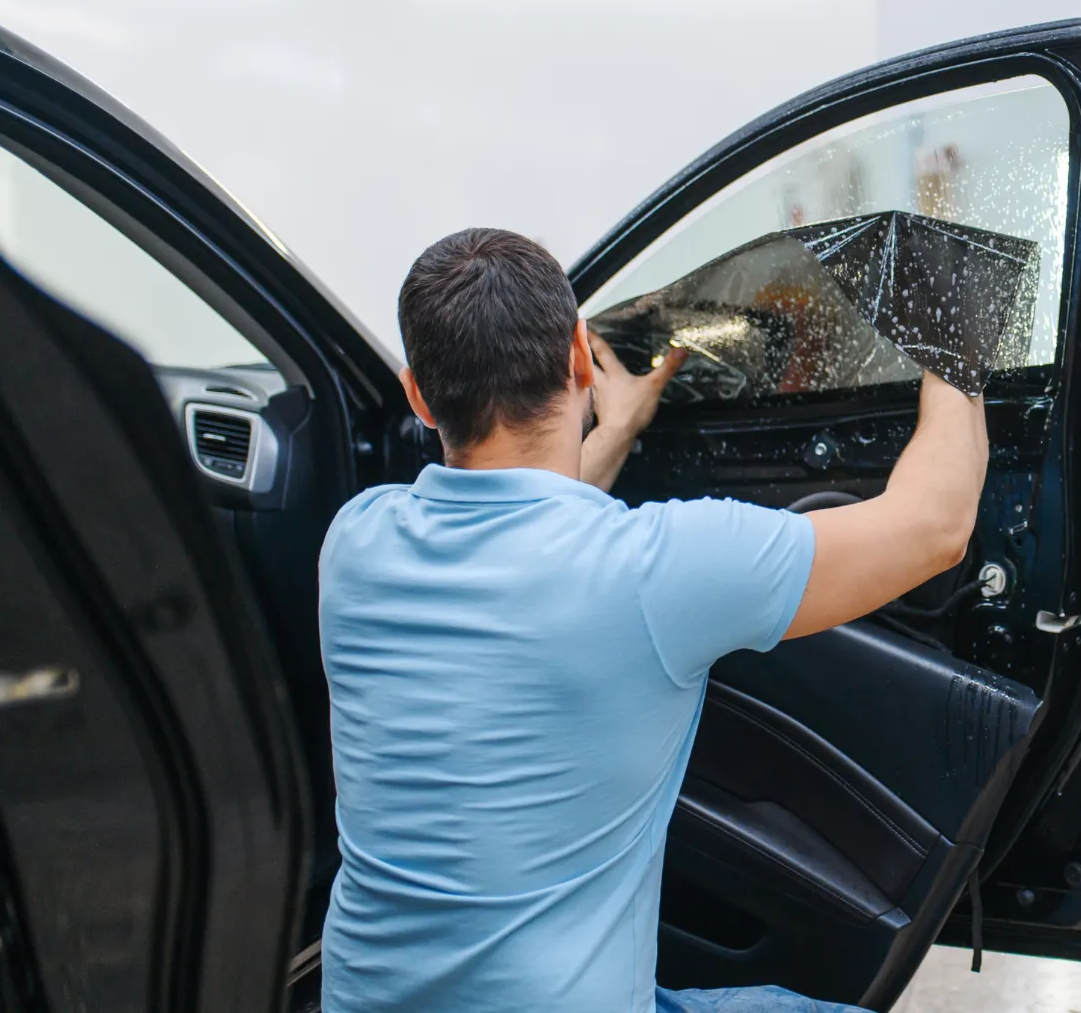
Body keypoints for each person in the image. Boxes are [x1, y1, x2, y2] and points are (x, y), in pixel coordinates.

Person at [317, 227, 988, 1013]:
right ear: (578, 359)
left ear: (420, 395)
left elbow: (523, 526)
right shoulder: (657, 570)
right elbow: (936, 526)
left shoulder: (356, 544)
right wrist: (955, 336)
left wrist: (618, 433)